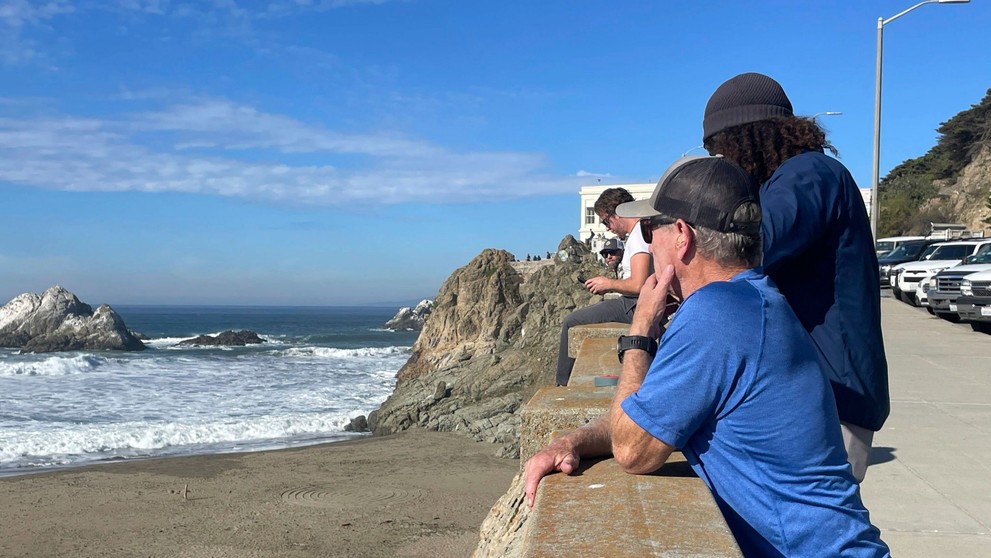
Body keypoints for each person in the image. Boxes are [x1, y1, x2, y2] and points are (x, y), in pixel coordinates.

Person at [525, 156, 890, 557]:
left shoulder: (716, 314)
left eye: (650, 228)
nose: (647, 242)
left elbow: (633, 450)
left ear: (681, 235)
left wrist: (641, 331)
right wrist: (574, 440)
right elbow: (647, 414)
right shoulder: (755, 300)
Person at [702, 72, 889, 481]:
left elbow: (754, 246)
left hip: (837, 395)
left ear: (744, 137)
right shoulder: (794, 178)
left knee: (816, 535)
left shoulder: (808, 175)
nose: (722, 163)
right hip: (823, 390)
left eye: (720, 149)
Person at [555, 187, 651, 386]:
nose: (607, 228)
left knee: (571, 322)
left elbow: (640, 284)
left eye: (606, 221)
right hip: (634, 302)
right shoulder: (641, 232)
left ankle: (563, 386)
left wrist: (608, 284)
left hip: (635, 304)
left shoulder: (638, 235)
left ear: (618, 212)